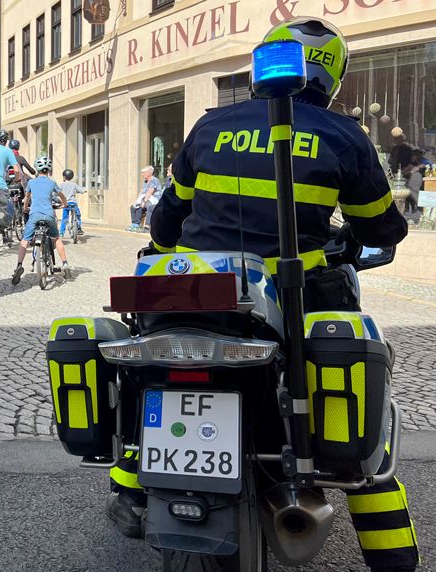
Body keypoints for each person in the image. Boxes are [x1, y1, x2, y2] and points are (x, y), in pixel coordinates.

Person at [108, 18, 417, 572]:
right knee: (345, 370)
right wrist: (354, 240)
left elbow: (169, 215)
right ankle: (384, 538)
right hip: (298, 293)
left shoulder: (210, 127)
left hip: (198, 292)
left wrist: (157, 249)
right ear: (331, 75)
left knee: (153, 363)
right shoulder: (344, 135)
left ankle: (130, 482)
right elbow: (382, 228)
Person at [11, 156, 71, 284]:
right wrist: (64, 204)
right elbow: (61, 196)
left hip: (34, 215)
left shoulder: (31, 183)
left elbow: (27, 197)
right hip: (49, 215)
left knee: (25, 240)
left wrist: (25, 207)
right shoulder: (52, 182)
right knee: (56, 239)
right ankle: (65, 264)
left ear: (37, 169)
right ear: (49, 170)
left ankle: (19, 266)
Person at [127, 166, 162, 232]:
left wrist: (143, 201)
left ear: (149, 173)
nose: (142, 174)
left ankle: (147, 227)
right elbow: (142, 192)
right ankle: (135, 224)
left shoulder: (154, 180)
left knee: (146, 206)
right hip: (146, 198)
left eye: (143, 173)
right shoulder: (146, 181)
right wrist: (137, 201)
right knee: (133, 207)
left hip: (154, 200)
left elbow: (150, 192)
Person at [59, 169, 85, 237]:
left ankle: (61, 233)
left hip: (66, 204)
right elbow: (81, 191)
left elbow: (57, 192)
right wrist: (84, 191)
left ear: (64, 177)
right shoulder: (74, 185)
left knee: (64, 218)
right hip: (73, 203)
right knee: (78, 215)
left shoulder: (61, 185)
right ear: (72, 177)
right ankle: (79, 228)